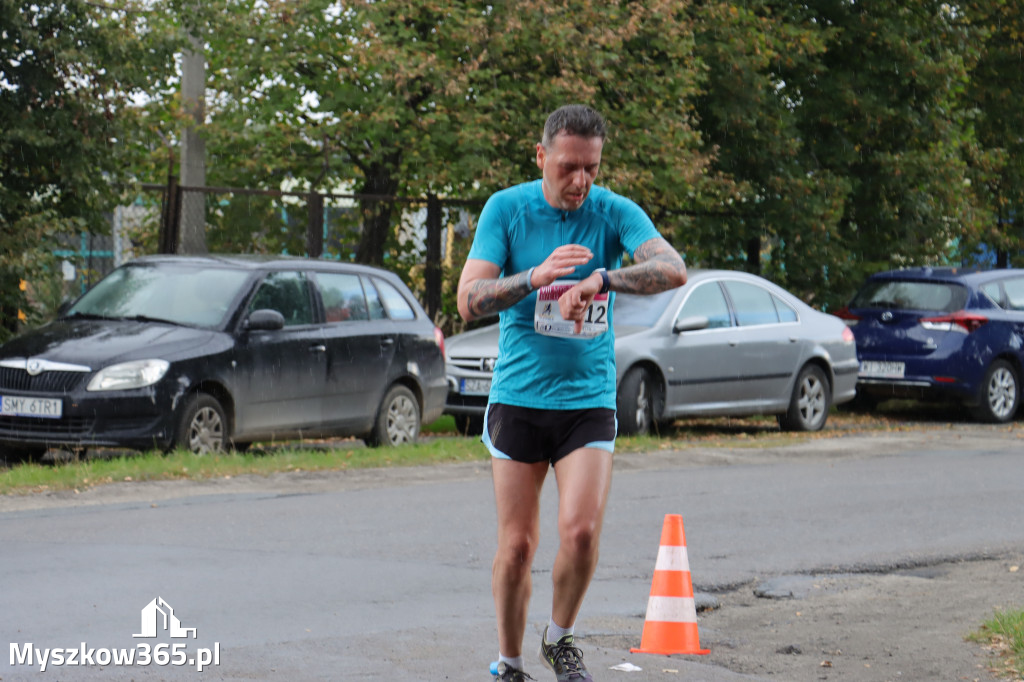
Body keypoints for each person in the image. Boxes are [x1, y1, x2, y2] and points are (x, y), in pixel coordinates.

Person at [457, 104, 687, 682]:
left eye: (591, 167)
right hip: (519, 397)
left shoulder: (613, 212)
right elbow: (468, 299)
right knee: (517, 546)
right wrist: (534, 278)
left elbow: (673, 268)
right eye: (568, 167)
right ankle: (509, 663)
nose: (580, 180)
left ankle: (559, 639)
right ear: (541, 157)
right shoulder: (506, 210)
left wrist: (601, 279)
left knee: (580, 533)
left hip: (587, 400)